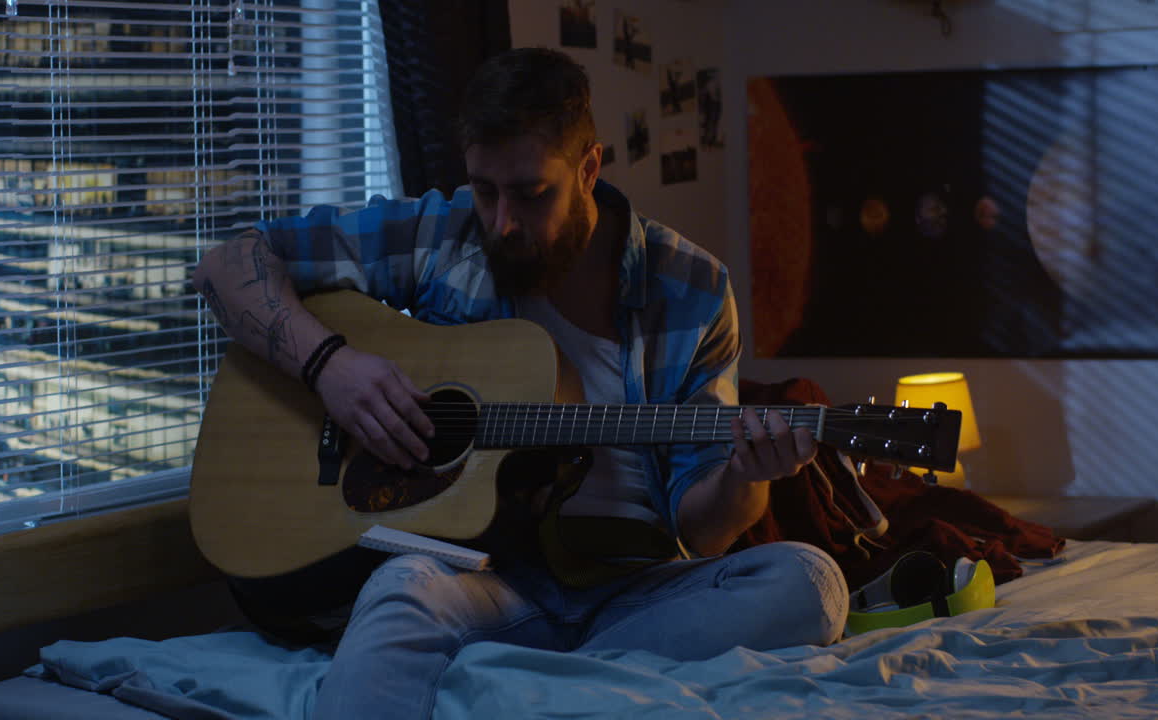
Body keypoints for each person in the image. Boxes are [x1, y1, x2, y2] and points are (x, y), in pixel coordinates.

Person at [192, 47, 847, 720]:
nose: (502, 221)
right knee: (401, 588)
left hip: (636, 588)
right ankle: (586, 686)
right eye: (485, 189)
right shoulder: (442, 233)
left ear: (589, 168)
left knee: (809, 582)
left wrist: (748, 474)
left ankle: (535, 683)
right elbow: (227, 265)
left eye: (531, 194)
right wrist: (330, 366)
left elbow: (702, 532)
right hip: (484, 578)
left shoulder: (692, 288)